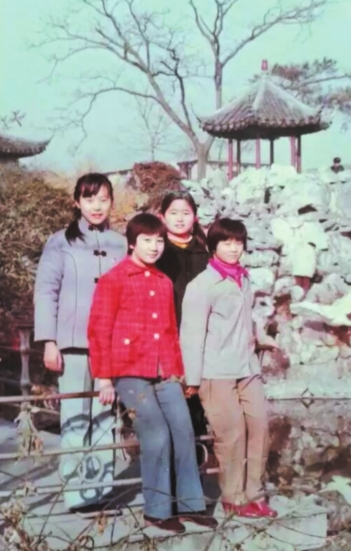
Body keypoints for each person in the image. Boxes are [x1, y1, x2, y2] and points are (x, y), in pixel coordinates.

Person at [88, 213, 217, 534]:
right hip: (128, 370)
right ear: (132, 243)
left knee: (183, 429)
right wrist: (103, 377)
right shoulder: (114, 279)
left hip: (165, 371)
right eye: (147, 240)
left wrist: (179, 374)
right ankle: (157, 511)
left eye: (159, 240)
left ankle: (190, 505)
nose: (154, 246)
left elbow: (170, 333)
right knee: (156, 433)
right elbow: (99, 330)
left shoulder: (162, 281)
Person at [34, 173, 127, 512]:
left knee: (105, 416)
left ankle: (101, 490)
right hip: (72, 343)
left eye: (103, 199)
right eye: (89, 199)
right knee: (75, 416)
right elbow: (46, 290)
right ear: (77, 202)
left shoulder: (121, 243)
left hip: (112, 343)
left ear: (112, 201)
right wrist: (49, 341)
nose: (96, 206)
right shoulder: (59, 241)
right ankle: (77, 493)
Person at [180, 218, 278, 519]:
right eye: (226, 242)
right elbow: (191, 335)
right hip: (216, 372)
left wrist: (261, 338)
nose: (233, 248)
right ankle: (233, 498)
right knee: (232, 434)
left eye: (238, 242)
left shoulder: (244, 279)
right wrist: (193, 379)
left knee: (260, 426)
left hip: (247, 367)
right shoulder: (202, 285)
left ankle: (254, 494)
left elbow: (246, 320)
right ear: (213, 246)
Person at [156, 191, 209, 454]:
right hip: (168, 337)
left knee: (197, 406)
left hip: (201, 339)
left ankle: (197, 467)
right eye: (173, 213)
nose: (179, 219)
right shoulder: (157, 251)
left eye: (185, 213)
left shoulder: (206, 253)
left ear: (195, 217)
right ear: (162, 217)